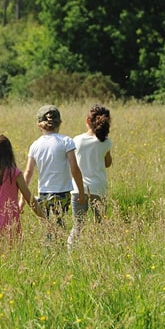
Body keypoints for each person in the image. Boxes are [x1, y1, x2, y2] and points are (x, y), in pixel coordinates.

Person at [21, 105, 85, 243]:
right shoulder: (66, 141)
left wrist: (21, 200)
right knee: (59, 224)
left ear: (39, 125)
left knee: (48, 226)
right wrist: (81, 191)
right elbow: (74, 168)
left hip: (44, 193)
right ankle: (57, 252)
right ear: (59, 122)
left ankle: (49, 252)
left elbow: (28, 172)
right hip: (63, 192)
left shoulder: (35, 145)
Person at [69, 104, 112, 249]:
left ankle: (71, 253)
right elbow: (108, 163)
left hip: (78, 189)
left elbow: (72, 165)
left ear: (88, 120)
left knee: (78, 226)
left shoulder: (77, 140)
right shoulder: (106, 142)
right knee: (100, 225)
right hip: (98, 188)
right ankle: (100, 252)